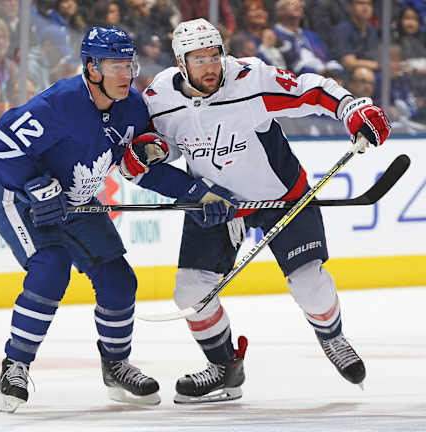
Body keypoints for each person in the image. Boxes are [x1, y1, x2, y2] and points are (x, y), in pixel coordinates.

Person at [119, 18, 391, 404]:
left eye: (215, 55)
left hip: (281, 197)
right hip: (220, 204)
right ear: (182, 63)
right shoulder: (160, 96)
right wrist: (150, 151)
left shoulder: (251, 80)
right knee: (190, 291)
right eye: (200, 59)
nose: (211, 66)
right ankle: (225, 368)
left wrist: (353, 109)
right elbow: (166, 144)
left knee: (309, 282)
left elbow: (310, 91)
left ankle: (333, 338)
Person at [0, 26, 166, 413]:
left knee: (118, 281)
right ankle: (15, 365)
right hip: (22, 202)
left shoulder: (132, 107)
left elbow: (143, 164)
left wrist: (199, 194)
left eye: (128, 64)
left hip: (78, 202)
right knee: (52, 268)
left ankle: (116, 365)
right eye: (115, 65)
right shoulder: (61, 102)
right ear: (91, 67)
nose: (126, 74)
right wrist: (33, 184)